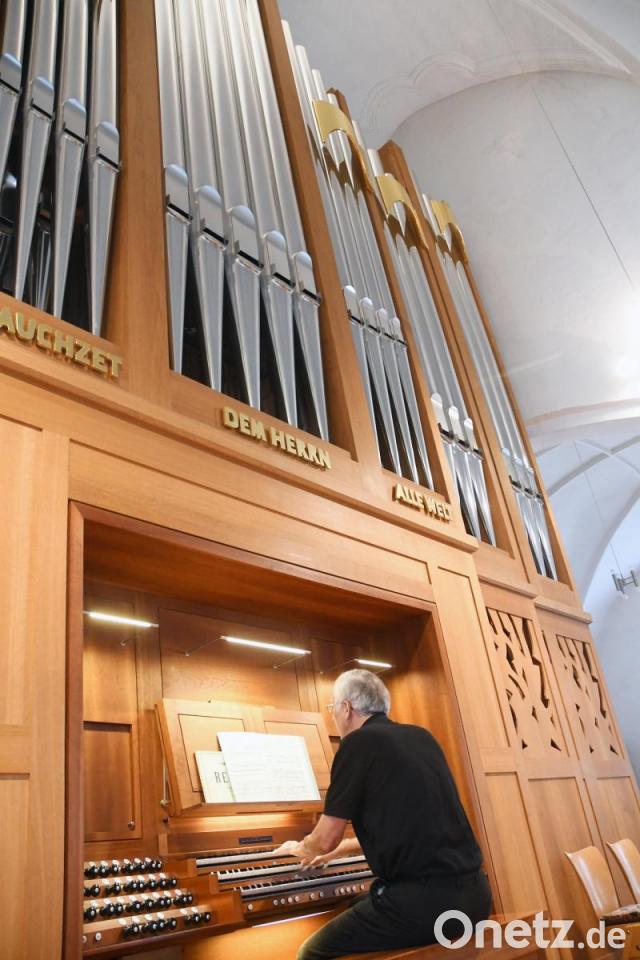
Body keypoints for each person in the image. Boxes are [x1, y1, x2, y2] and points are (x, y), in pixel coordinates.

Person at [273, 668, 492, 960]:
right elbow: (411, 828)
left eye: (332, 708)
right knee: (353, 906)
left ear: (346, 708)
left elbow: (323, 839)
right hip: (474, 895)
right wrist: (341, 851)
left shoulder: (356, 744)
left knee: (310, 952)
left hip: (426, 904)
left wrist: (301, 848)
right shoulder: (420, 737)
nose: (334, 717)